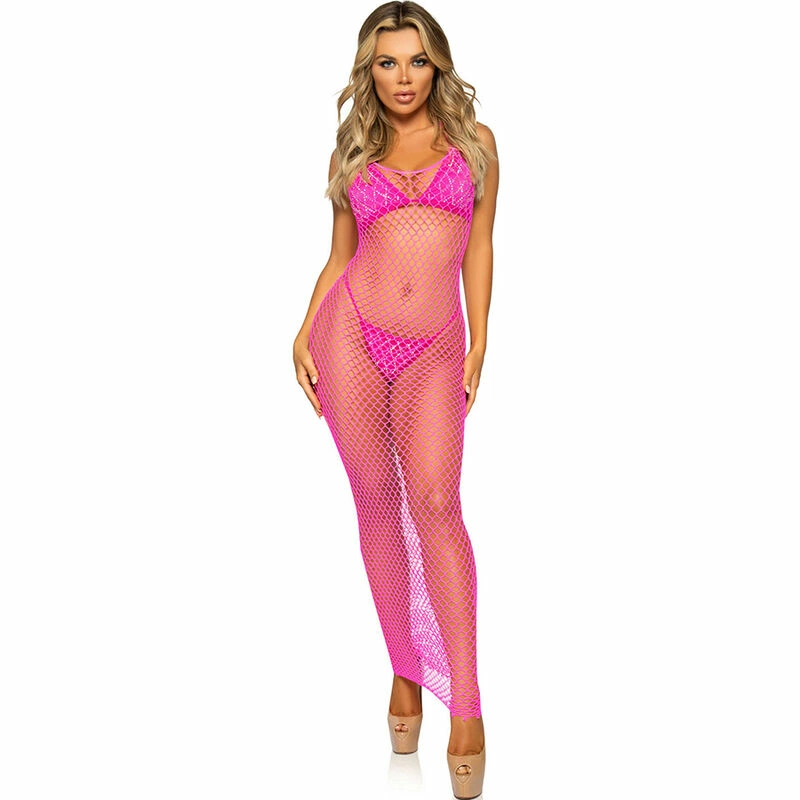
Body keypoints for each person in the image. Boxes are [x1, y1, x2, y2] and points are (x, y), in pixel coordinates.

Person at [292, 2, 498, 796]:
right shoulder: (354, 152)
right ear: (368, 70)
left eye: (416, 61)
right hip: (351, 334)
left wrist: (481, 339)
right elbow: (338, 256)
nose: (403, 77)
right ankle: (404, 670)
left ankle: (467, 704)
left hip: (434, 344)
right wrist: (303, 329)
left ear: (436, 65)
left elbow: (480, 246)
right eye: (387, 62)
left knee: (438, 503)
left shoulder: (476, 146)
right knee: (377, 502)